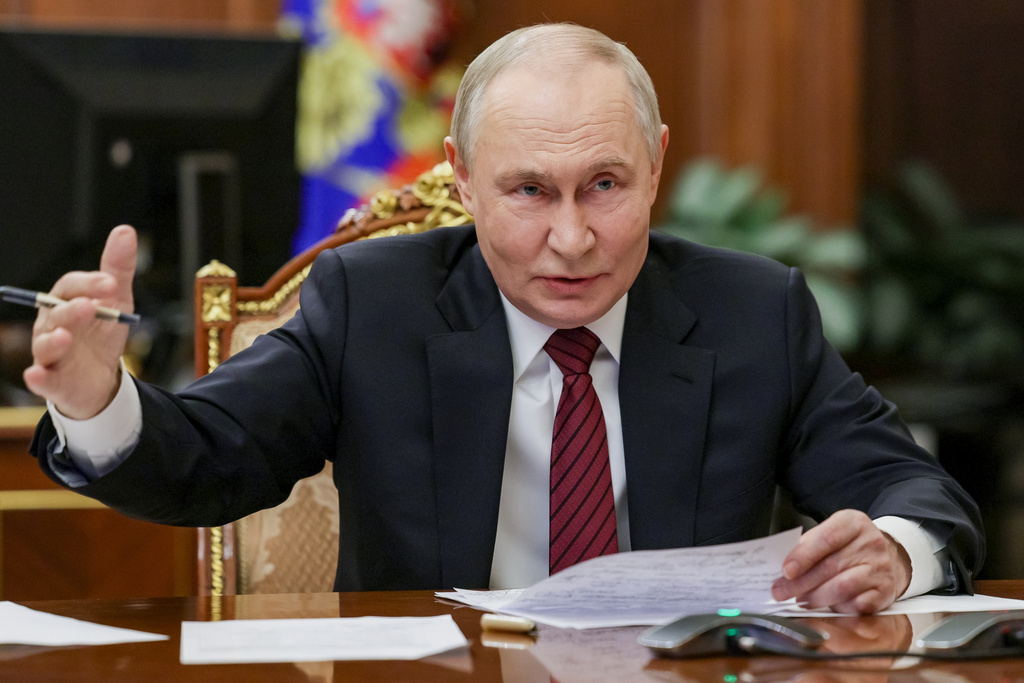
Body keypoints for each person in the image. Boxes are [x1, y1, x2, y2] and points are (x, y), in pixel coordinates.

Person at [24, 23, 982, 614]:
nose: (573, 238)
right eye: (529, 190)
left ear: (654, 166)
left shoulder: (752, 311)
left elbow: (916, 491)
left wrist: (893, 553)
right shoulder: (373, 302)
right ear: (464, 179)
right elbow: (208, 459)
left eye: (604, 184)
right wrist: (97, 396)